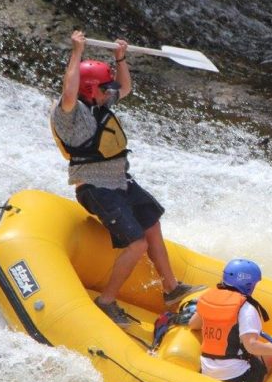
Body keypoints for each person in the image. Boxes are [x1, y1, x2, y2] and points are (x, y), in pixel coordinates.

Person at [51, 29, 199, 326]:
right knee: (136, 243)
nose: (111, 92)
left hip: (120, 181)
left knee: (152, 223)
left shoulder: (98, 102)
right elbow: (69, 90)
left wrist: (120, 58)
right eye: (105, 87)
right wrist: (76, 52)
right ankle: (106, 302)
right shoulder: (69, 112)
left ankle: (171, 289)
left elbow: (126, 88)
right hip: (95, 187)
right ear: (89, 88)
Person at [187, 259, 272, 382]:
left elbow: (193, 324)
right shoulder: (246, 309)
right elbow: (251, 346)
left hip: (207, 369)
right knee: (271, 355)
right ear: (248, 285)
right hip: (235, 377)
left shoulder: (207, 298)